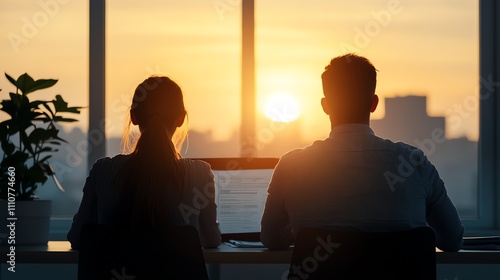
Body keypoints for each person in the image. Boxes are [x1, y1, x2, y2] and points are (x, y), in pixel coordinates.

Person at [260, 54, 464, 252]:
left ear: (325, 106)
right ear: (374, 103)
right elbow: (452, 240)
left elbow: (272, 239)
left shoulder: (291, 167)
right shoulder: (414, 163)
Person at [68, 75, 221, 249]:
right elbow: (212, 239)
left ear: (134, 117)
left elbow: (77, 237)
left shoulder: (102, 171)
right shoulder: (200, 174)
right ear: (181, 119)